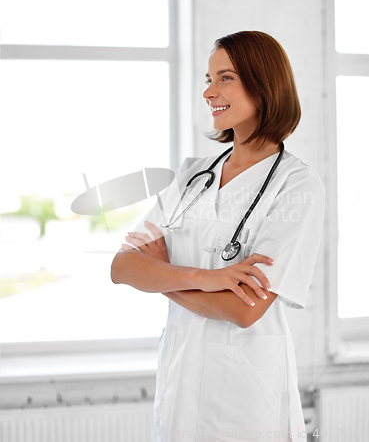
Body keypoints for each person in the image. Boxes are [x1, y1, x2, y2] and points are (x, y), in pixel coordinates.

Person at [111, 31, 325, 442]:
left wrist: (162, 275)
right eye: (208, 79)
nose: (209, 92)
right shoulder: (192, 176)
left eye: (224, 78)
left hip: (246, 403)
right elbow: (122, 267)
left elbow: (244, 311)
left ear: (264, 83)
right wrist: (207, 279)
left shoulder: (297, 186)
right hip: (179, 388)